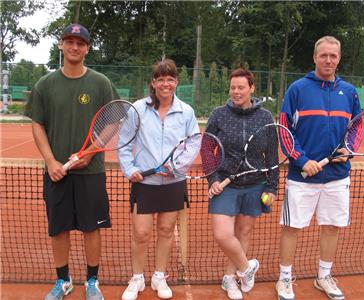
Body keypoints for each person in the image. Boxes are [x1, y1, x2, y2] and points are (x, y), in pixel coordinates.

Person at [26, 24, 119, 300]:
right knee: (59, 229)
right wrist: (51, 161)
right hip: (57, 173)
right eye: (70, 41)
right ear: (61, 45)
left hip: (91, 172)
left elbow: (112, 123)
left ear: (87, 48)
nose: (75, 47)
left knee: (91, 228)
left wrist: (89, 153)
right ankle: (63, 281)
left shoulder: (101, 83)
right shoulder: (45, 85)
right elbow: (37, 125)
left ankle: (92, 282)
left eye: (80, 43)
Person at [276, 36, 362, 300]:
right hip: (302, 178)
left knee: (331, 227)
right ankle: (285, 278)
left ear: (339, 58)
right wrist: (302, 160)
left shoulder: (349, 92)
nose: (328, 60)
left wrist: (349, 150)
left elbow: (356, 128)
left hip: (337, 176)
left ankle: (324, 276)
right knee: (292, 227)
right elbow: (284, 129)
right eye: (323, 55)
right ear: (314, 57)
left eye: (333, 56)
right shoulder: (298, 89)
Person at [118, 58, 199, 300]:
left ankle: (159, 275)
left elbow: (193, 143)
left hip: (174, 182)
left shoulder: (186, 112)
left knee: (165, 230)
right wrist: (129, 168)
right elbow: (124, 143)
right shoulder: (138, 109)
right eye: (161, 79)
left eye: (170, 79)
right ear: (153, 83)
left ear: (176, 82)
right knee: (141, 233)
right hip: (145, 182)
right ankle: (137, 277)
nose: (166, 83)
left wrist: (176, 166)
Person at [205, 68, 279, 300]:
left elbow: (272, 155)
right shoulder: (219, 114)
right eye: (233, 88)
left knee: (243, 233)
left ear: (252, 89)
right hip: (226, 184)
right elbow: (207, 148)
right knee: (223, 234)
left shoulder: (265, 117)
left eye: (241, 87)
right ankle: (248, 268)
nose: (236, 92)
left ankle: (231, 279)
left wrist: (272, 187)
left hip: (255, 184)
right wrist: (213, 178)